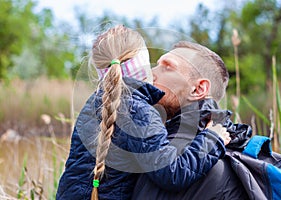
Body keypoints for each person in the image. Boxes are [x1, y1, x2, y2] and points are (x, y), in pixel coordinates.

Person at [56, 25, 230, 200]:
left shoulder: (95, 104)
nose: (154, 73)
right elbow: (172, 173)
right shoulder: (139, 111)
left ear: (198, 88)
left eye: (167, 67)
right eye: (151, 66)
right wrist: (213, 139)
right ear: (141, 68)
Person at [132, 41, 252, 199]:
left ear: (198, 89)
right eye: (156, 65)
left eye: (167, 67)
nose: (150, 73)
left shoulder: (213, 166)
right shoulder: (154, 144)